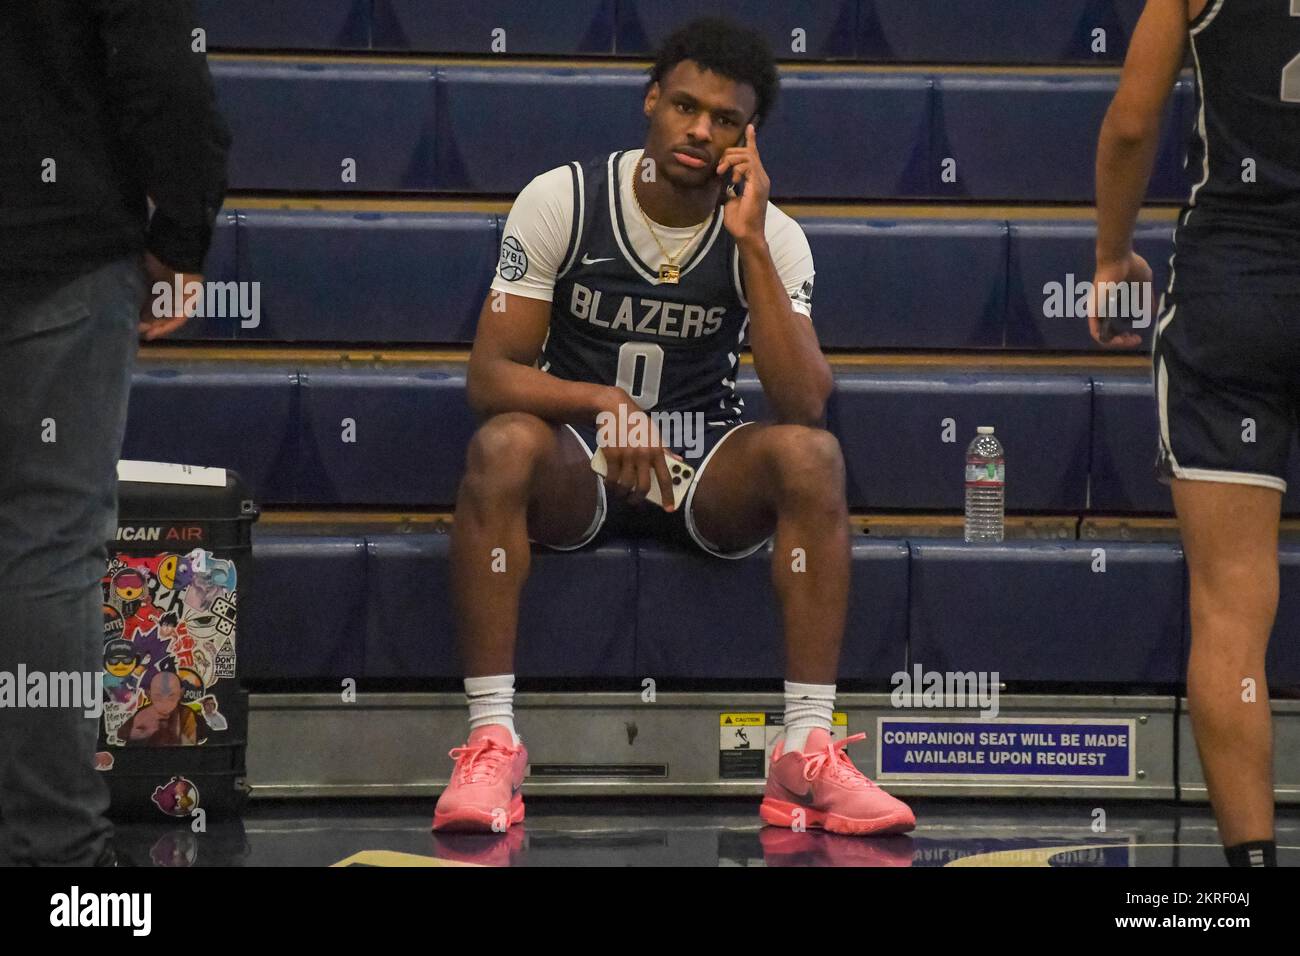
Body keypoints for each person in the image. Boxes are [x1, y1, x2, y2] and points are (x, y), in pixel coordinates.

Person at [433, 16, 915, 837]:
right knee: (502, 443)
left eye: (725, 120)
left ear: (747, 139)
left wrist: (751, 243)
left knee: (812, 457)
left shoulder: (775, 237)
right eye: (686, 106)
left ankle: (804, 751)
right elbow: (490, 376)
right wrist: (603, 403)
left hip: (703, 465)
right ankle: (492, 742)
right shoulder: (565, 198)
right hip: (579, 463)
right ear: (651, 100)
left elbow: (803, 402)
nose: (699, 129)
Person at [0, 0, 230, 865]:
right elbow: (162, 64)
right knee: (47, 549)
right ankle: (53, 852)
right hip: (54, 245)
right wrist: (182, 232)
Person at [1091, 0, 1300, 866]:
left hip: (1235, 288)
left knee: (1229, 609)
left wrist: (1110, 254)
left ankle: (1249, 872)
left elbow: (1134, 124)